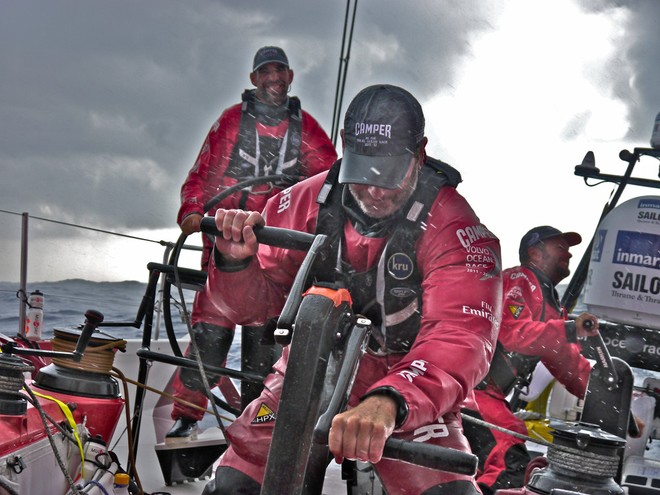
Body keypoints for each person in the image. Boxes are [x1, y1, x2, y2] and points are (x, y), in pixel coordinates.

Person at [201, 84, 502, 495]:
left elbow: (462, 334)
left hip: (407, 380)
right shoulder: (297, 204)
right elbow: (250, 308)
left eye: (390, 172)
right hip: (304, 372)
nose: (376, 190)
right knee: (233, 488)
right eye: (364, 171)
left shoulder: (456, 226)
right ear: (344, 148)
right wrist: (235, 262)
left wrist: (392, 400)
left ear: (420, 153)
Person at [169, 46, 337, 442]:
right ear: (253, 79)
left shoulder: (308, 130)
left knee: (267, 343)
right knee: (210, 332)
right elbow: (202, 171)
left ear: (291, 76)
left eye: (279, 71)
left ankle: (257, 428)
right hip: (227, 250)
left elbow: (332, 182)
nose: (273, 78)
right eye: (266, 72)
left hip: (278, 261)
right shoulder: (230, 123)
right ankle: (187, 419)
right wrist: (192, 210)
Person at [462, 225, 600, 495]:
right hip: (469, 389)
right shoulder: (518, 280)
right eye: (560, 247)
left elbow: (566, 362)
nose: (569, 254)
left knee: (513, 459)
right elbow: (513, 333)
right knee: (509, 464)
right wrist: (571, 329)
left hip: (486, 395)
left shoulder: (551, 305)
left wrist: (606, 398)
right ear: (535, 252)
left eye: (569, 249)